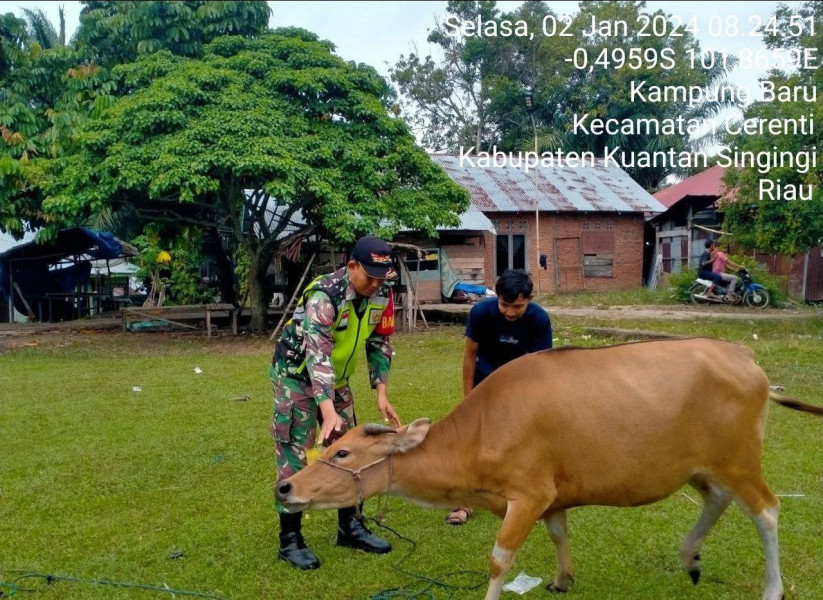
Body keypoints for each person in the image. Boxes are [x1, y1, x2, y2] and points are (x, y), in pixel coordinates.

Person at [271, 235, 402, 570]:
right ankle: (290, 540)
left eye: (381, 277)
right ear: (352, 265)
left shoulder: (382, 292)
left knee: (350, 452)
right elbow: (317, 355)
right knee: (296, 453)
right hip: (296, 377)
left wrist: (381, 392)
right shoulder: (324, 295)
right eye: (369, 276)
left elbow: (380, 342)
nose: (376, 284)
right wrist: (327, 411)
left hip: (337, 380)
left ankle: (351, 526)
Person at [445, 269, 553, 526]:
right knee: (472, 443)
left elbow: (541, 368)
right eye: (504, 304)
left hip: (520, 390)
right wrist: (468, 400)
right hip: (485, 385)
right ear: (497, 298)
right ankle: (464, 504)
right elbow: (470, 356)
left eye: (518, 306)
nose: (510, 312)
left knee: (520, 444)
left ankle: (522, 497)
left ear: (530, 298)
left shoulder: (539, 319)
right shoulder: (481, 313)